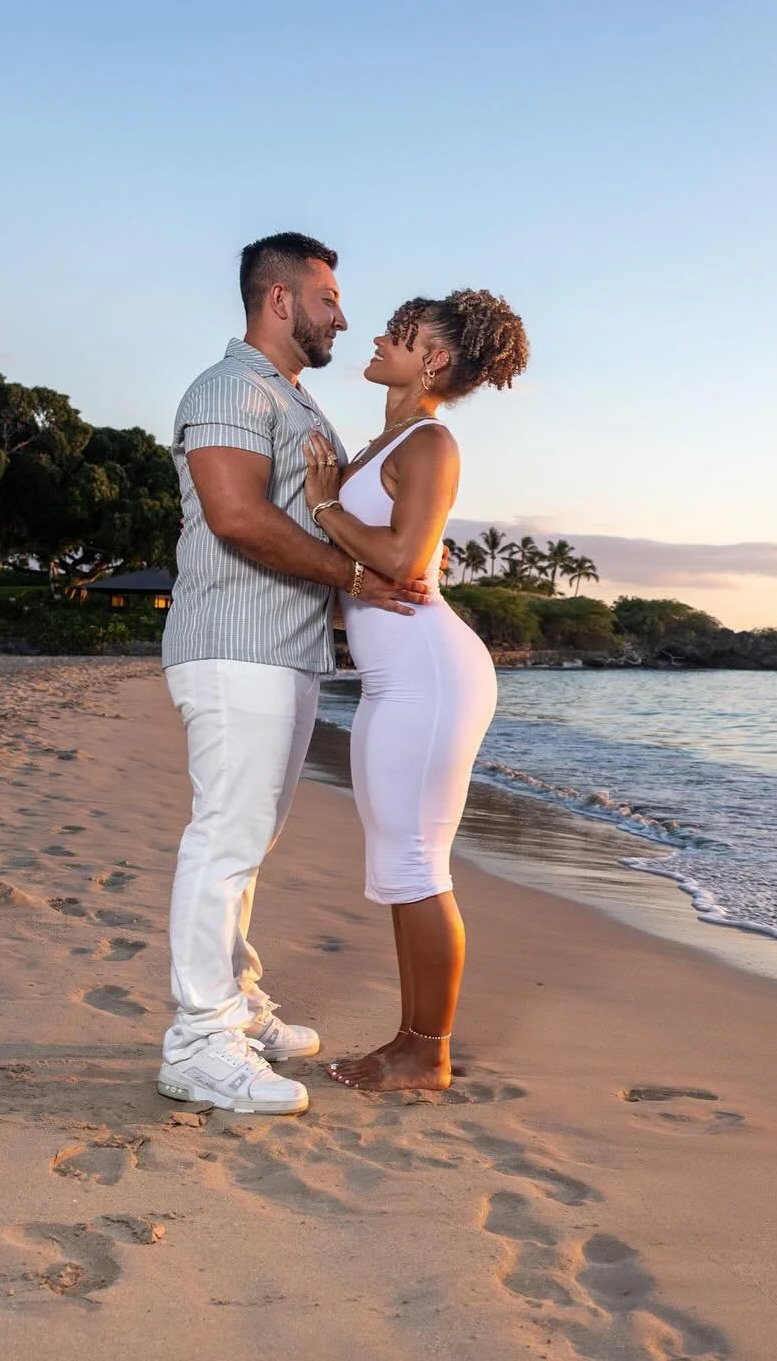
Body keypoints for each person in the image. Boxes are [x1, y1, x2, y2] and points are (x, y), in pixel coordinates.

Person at [156, 233, 428, 1116]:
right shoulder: (232, 387)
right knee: (224, 839)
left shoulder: (295, 401)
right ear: (279, 300)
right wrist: (356, 578)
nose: (342, 317)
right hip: (236, 645)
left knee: (249, 844)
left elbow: (339, 511)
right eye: (327, 300)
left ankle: (234, 1002)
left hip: (283, 650)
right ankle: (200, 1040)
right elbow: (234, 515)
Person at [302, 289, 529, 1092]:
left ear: (432, 357)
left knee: (417, 864)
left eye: (400, 333)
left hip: (429, 679)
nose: (379, 337)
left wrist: (325, 502)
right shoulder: (384, 441)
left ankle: (425, 1052)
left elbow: (402, 560)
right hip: (395, 679)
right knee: (400, 863)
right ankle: (409, 1041)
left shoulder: (432, 443)